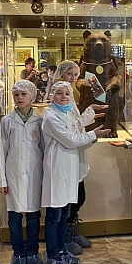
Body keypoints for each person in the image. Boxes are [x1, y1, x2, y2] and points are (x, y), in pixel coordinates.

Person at [41, 81, 110, 264]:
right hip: (57, 171)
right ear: (52, 95)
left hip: (70, 170)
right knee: (54, 217)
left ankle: (61, 250)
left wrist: (92, 128)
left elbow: (77, 129)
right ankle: (52, 255)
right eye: (59, 93)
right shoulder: (50, 116)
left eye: (67, 93)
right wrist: (93, 133)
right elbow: (71, 140)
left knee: (65, 215)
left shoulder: (69, 111)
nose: (63, 96)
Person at [52, 60, 106, 252]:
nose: (73, 78)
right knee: (70, 199)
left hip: (75, 153)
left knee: (78, 197)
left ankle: (71, 230)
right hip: (65, 156)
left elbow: (74, 123)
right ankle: (65, 237)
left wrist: (90, 112)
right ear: (61, 75)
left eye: (76, 74)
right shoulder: (58, 103)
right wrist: (92, 134)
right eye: (69, 74)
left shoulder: (72, 95)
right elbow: (69, 134)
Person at [0, 80, 44, 264]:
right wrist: (3, 179)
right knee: (14, 217)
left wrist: (45, 178)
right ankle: (18, 253)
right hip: (13, 175)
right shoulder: (7, 121)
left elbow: (43, 150)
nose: (19, 98)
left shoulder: (40, 121)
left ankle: (32, 252)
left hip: (34, 175)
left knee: (33, 216)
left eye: (24, 94)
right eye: (16, 94)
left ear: (32, 96)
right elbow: (2, 151)